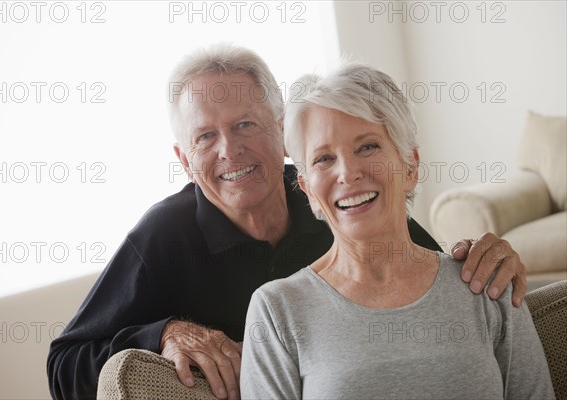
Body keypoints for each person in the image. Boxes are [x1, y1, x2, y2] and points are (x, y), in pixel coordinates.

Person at [47, 45, 529, 400]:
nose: (229, 151)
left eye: (245, 125)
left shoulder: (336, 195)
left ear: (281, 130)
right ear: (183, 159)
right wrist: (163, 333)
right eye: (205, 137)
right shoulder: (163, 236)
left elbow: (433, 271)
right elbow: (63, 364)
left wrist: (487, 257)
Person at [240, 62, 554, 399]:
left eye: (367, 147)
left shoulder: (487, 283)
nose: (348, 173)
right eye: (324, 159)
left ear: (410, 166)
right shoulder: (277, 310)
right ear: (308, 190)